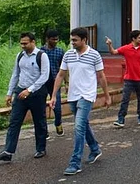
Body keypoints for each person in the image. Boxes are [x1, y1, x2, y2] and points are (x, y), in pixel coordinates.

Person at [50, 27, 111, 176]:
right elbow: (60, 75)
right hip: (73, 95)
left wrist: (107, 96)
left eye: (75, 40)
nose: (72, 43)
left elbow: (101, 76)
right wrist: (53, 96)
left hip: (87, 95)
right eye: (71, 40)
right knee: (83, 124)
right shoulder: (69, 55)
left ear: (84, 40)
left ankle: (75, 162)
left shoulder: (94, 55)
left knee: (78, 127)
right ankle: (95, 149)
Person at [0, 32, 50, 162]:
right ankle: (8, 151)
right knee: (14, 122)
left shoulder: (42, 56)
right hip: (20, 92)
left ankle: (40, 148)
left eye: (25, 43)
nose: (23, 46)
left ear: (33, 42)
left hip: (37, 93)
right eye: (21, 43)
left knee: (39, 121)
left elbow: (44, 76)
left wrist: (30, 90)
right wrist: (9, 93)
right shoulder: (20, 56)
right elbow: (15, 74)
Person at [105, 30, 140, 127]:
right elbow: (113, 52)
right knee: (125, 99)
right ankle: (121, 119)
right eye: (139, 38)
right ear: (133, 39)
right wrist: (110, 44)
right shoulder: (126, 48)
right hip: (129, 78)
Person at [41, 29, 65, 139]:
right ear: (47, 39)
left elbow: (64, 69)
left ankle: (58, 123)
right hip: (42, 83)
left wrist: (67, 82)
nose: (55, 41)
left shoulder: (60, 52)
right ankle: (44, 130)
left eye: (57, 39)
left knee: (57, 107)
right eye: (53, 39)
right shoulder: (40, 52)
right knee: (41, 108)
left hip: (55, 82)